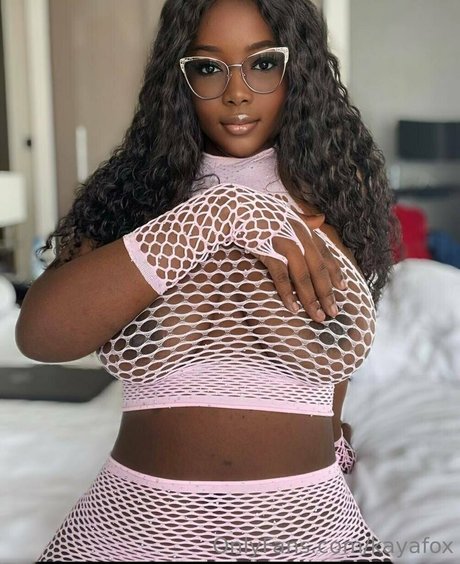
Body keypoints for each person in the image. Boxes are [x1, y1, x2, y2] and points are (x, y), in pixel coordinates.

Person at [17, 0, 399, 560]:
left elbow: (331, 355)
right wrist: (219, 213)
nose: (237, 92)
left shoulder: (334, 189)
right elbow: (40, 337)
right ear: (179, 76)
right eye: (207, 67)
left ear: (298, 68)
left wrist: (335, 432)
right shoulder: (137, 195)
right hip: (136, 528)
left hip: (302, 525)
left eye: (263, 63)